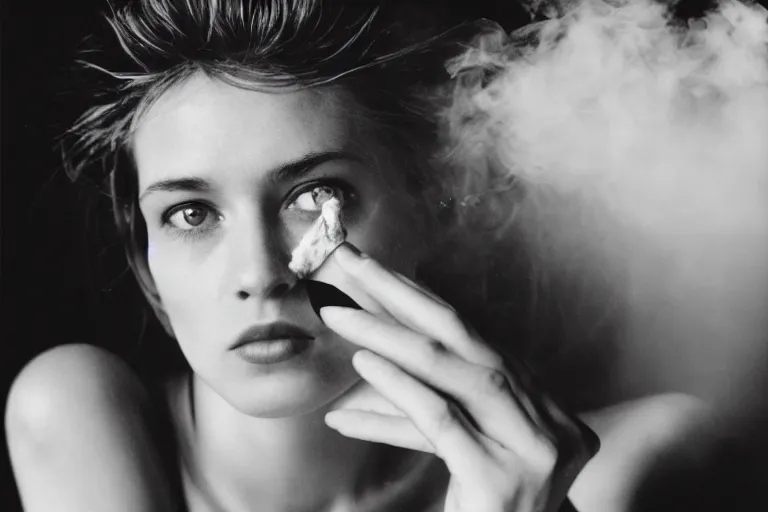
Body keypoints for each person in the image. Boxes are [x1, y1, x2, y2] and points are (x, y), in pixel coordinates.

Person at [5, 1, 707, 511]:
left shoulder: (624, 470)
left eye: (315, 196)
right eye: (192, 214)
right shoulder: (75, 411)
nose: (259, 276)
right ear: (144, 260)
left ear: (431, 206)